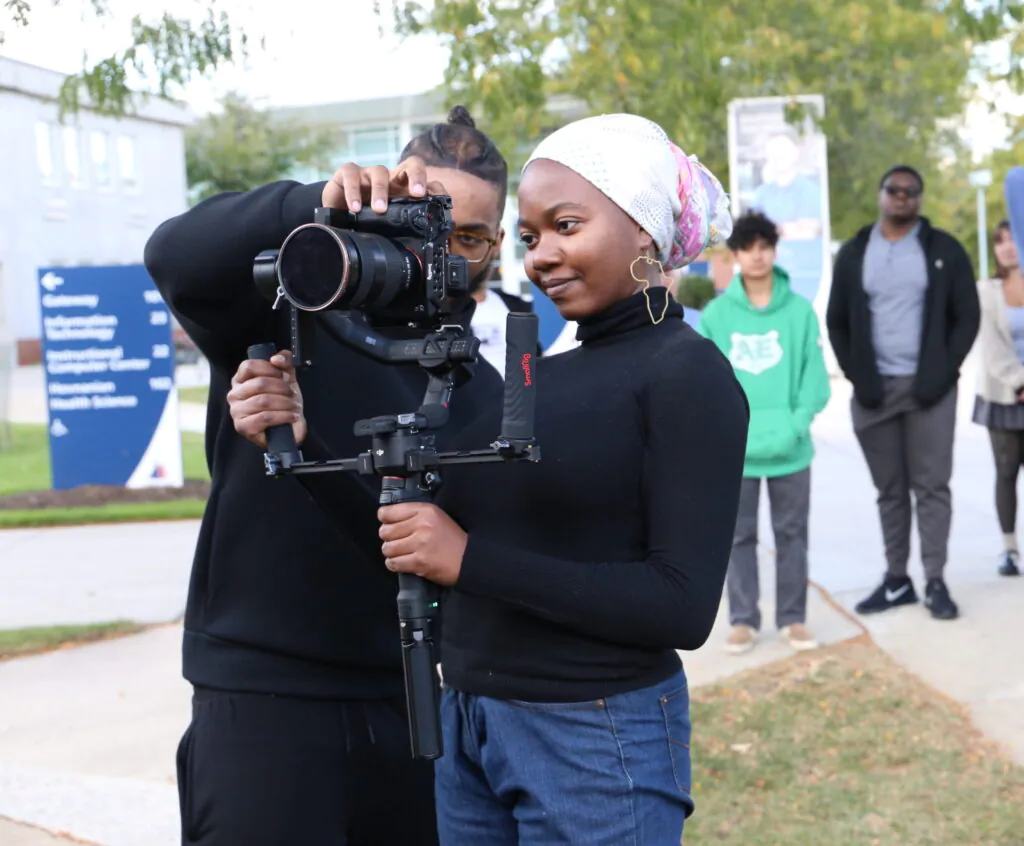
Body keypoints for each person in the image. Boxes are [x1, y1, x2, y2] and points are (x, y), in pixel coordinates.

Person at [230, 113, 750, 844]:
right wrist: (298, 437)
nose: (543, 257)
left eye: (567, 225)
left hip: (594, 740)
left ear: (644, 229)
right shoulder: (539, 378)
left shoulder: (687, 373)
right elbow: (414, 543)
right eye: (531, 237)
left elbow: (681, 608)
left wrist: (470, 561)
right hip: (470, 725)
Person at [144, 106, 509, 846]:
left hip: (407, 699)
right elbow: (173, 252)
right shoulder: (292, 304)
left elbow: (440, 557)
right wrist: (315, 200)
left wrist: (314, 458)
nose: (440, 251)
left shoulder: (484, 391)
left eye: (467, 236)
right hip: (260, 694)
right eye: (424, 221)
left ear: (496, 246)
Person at [826, 165, 980, 621]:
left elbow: (967, 316)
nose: (901, 196)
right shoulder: (856, 252)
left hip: (929, 391)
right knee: (890, 491)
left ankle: (935, 581)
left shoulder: (944, 249)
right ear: (881, 195)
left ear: (920, 199)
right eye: (893, 189)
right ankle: (897, 580)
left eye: (911, 191)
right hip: (875, 393)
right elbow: (837, 320)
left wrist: (943, 372)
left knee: (932, 488)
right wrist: (858, 376)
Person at [698, 211, 831, 654]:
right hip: (736, 453)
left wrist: (797, 423)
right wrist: (725, 432)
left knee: (793, 536)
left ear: (774, 250)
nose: (757, 256)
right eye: (748, 248)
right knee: (737, 538)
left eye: (764, 247)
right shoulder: (717, 315)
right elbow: (708, 383)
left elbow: (814, 378)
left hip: (792, 449)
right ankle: (743, 619)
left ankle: (793, 618)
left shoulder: (799, 312)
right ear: (735, 254)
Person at [972, 220, 1024, 577]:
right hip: (1004, 397)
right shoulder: (986, 292)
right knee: (1006, 473)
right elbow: (991, 348)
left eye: (1013, 239)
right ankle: (1009, 549)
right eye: (999, 241)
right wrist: (1021, 380)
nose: (1007, 247)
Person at [749, 129, 825, 303]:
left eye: (782, 150)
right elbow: (752, 234)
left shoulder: (810, 191)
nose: (778, 156)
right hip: (768, 276)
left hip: (803, 276)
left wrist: (771, 229)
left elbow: (809, 232)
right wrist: (788, 228)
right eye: (773, 151)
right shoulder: (761, 194)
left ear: (795, 153)